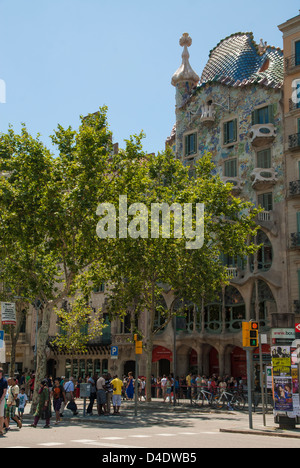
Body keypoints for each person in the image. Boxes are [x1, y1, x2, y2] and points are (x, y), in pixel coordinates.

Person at [0, 368, 8, 436]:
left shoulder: (4, 381)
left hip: (1, 400)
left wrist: (1, 399)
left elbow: (4, 392)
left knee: (1, 415)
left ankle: (1, 429)